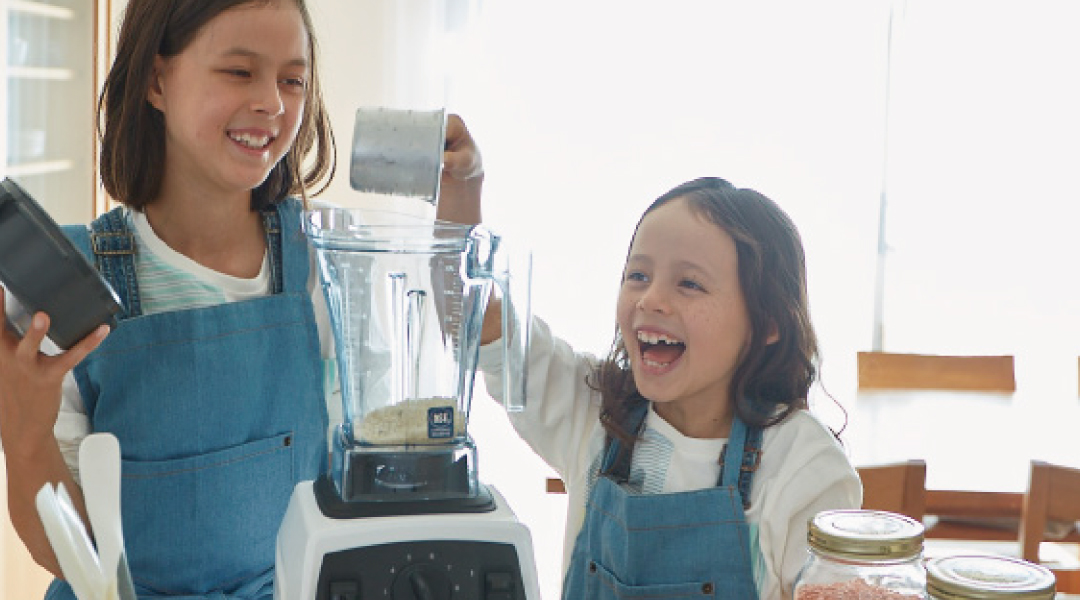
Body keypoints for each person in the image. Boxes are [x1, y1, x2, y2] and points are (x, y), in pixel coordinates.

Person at [0, 0, 483, 598]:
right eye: (239, 71)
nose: (273, 105)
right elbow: (68, 552)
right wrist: (23, 420)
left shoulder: (326, 261)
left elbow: (379, 458)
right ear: (157, 80)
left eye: (292, 80)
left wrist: (461, 207)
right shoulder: (71, 287)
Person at [472, 177, 861, 599]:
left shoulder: (804, 467)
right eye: (638, 275)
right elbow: (488, 323)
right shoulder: (596, 415)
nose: (650, 299)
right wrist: (462, 209)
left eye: (689, 283)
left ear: (767, 324)